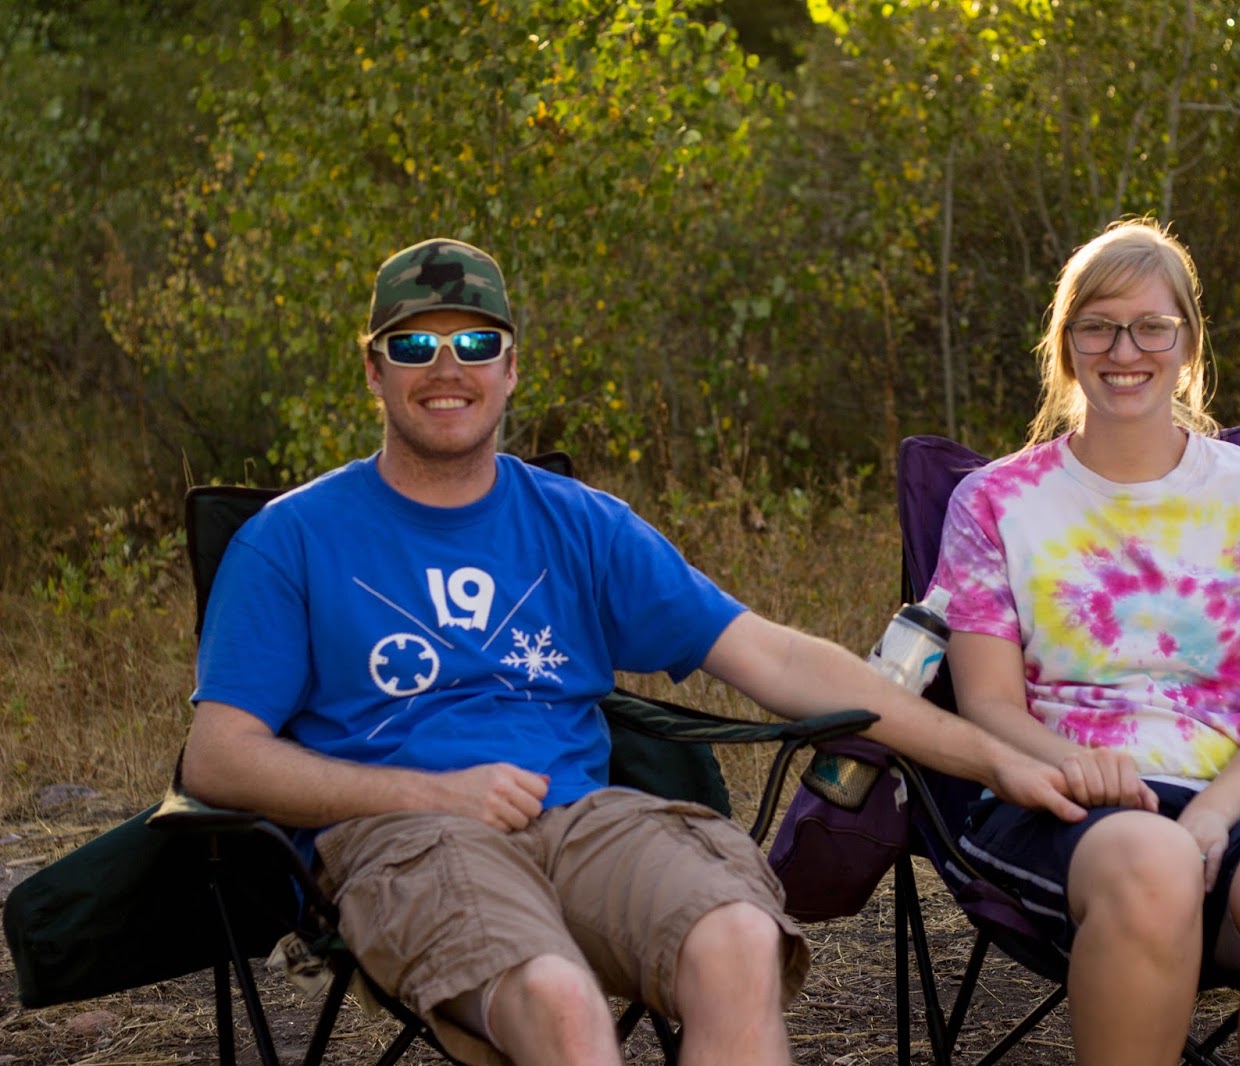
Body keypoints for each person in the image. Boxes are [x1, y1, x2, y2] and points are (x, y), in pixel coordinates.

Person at [181, 237, 1087, 1066]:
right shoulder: (291, 540)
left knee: (739, 945)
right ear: (374, 371)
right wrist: (431, 793)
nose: (447, 368)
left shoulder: (578, 524)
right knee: (560, 1003)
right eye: (415, 346)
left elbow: (776, 659)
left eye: (476, 344)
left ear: (511, 369)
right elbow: (218, 759)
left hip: (583, 825)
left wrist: (990, 758)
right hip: (407, 839)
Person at [928, 218, 1240, 1065]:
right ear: (1066, 347)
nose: (1124, 350)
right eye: (1097, 327)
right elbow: (985, 702)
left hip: (1232, 802)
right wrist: (1072, 762)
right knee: (1154, 863)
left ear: (1188, 345)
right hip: (1058, 801)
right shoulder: (994, 502)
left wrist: (1214, 814)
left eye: (1151, 327)